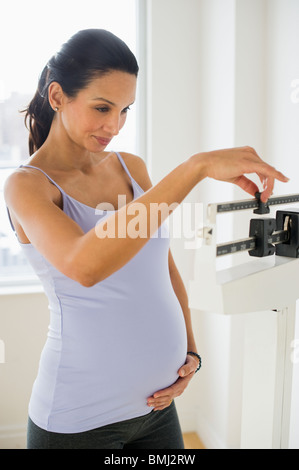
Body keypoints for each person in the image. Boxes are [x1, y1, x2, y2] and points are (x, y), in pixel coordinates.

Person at [4, 29, 288, 450]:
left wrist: (191, 352)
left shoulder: (130, 167)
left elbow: (161, 267)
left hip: (156, 412)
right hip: (78, 422)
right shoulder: (27, 186)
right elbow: (86, 266)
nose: (114, 126)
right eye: (102, 107)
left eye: (124, 110)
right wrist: (195, 168)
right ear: (58, 96)